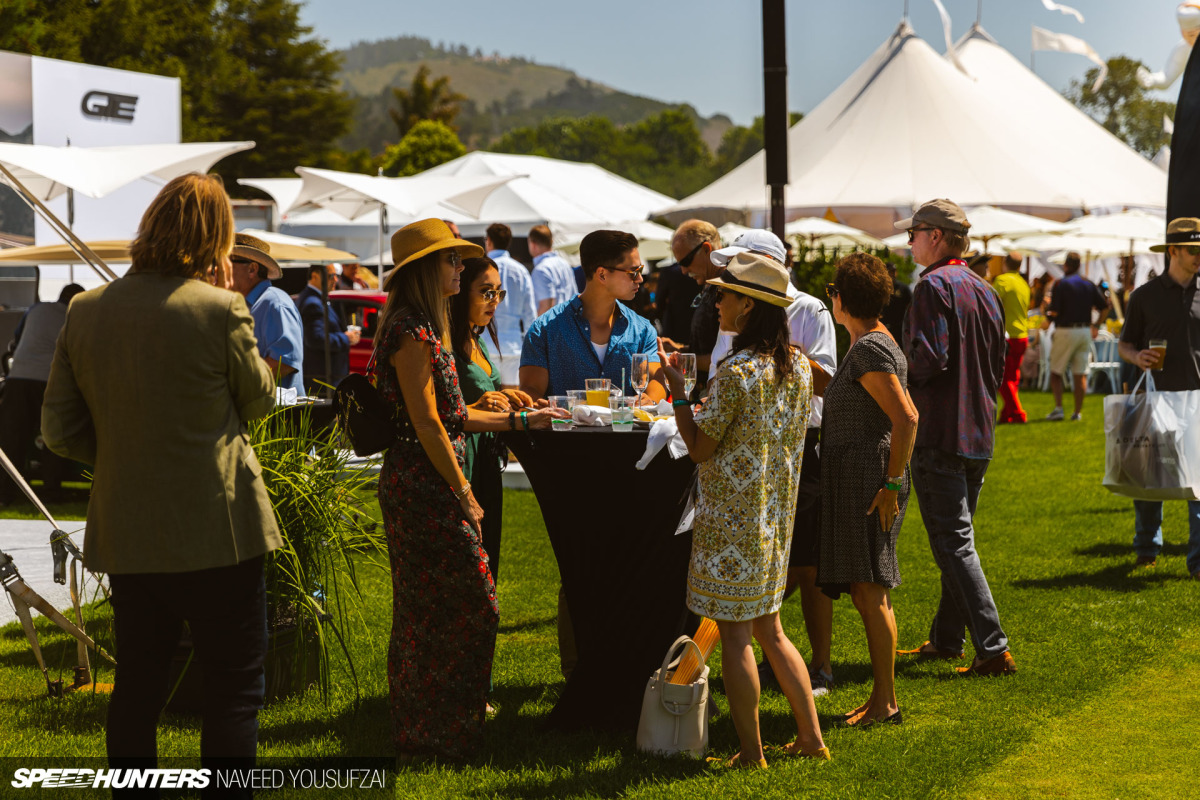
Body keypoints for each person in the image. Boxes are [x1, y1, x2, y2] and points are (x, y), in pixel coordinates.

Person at [41, 173, 279, 787]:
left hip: (130, 529)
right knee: (233, 687)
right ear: (217, 239)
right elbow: (259, 401)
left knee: (138, 687)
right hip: (219, 528)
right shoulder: (221, 307)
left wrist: (124, 453)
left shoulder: (86, 309)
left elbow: (59, 431)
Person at [375, 218, 563, 760]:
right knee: (467, 604)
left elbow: (454, 417)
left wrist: (521, 422)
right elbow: (429, 422)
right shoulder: (411, 330)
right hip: (423, 484)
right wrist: (462, 490)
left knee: (433, 608)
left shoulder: (426, 327)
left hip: (427, 479)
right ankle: (435, 727)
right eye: (452, 261)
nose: (461, 268)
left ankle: (438, 728)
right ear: (424, 270)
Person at [658, 251, 828, 768]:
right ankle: (811, 739)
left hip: (731, 524)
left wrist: (680, 397)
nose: (717, 302)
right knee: (771, 631)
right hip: (773, 518)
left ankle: (751, 754)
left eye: (725, 294)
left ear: (748, 306)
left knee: (737, 638)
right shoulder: (798, 365)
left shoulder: (737, 373)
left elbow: (700, 449)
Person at [707, 230, 839, 698]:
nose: (721, 284)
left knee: (804, 565)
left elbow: (827, 381)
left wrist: (776, 358)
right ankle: (772, 665)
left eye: (732, 273)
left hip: (793, 442)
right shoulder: (732, 325)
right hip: (743, 442)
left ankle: (819, 666)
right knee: (768, 569)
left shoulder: (807, 309)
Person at [896, 198, 1016, 677]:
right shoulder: (984, 289)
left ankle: (992, 646)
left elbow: (928, 358)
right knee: (957, 539)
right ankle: (948, 639)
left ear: (937, 237)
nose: (910, 242)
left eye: (915, 233)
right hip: (978, 430)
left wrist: (893, 372)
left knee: (952, 542)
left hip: (942, 430)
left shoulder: (933, 287)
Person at [819, 253, 918, 726]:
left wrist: (892, 485)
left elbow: (907, 417)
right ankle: (882, 697)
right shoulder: (867, 344)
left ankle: (886, 702)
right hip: (864, 474)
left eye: (831, 291)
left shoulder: (868, 349)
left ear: (841, 299)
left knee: (871, 589)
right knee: (867, 588)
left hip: (870, 478)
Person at [1118, 217, 1200, 578]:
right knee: (1149, 478)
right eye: (1193, 250)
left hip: (1197, 401)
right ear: (1173, 251)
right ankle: (1146, 547)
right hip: (1157, 399)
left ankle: (1197, 562)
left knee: (1199, 484)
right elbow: (1124, 343)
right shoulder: (1144, 296)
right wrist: (1137, 357)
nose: (1199, 257)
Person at [449, 256, 535, 585]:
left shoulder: (477, 338)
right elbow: (441, 410)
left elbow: (486, 392)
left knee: (488, 569)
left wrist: (511, 399)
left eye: (499, 293)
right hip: (461, 466)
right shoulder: (444, 344)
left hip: (486, 464)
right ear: (459, 291)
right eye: (486, 292)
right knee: (467, 573)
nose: (494, 302)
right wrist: (481, 403)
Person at [520, 229, 667, 402]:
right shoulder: (544, 330)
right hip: (568, 428)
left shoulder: (642, 330)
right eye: (634, 272)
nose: (640, 279)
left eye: (640, 270)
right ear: (602, 274)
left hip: (625, 428)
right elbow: (530, 391)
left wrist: (650, 399)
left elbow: (655, 384)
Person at [0, 283, 84, 505]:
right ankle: (51, 493)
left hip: (19, 377)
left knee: (12, 439)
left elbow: (16, 340)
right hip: (49, 380)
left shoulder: (36, 309)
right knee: (51, 437)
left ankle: (6, 493)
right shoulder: (74, 317)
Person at [229, 233, 305, 397]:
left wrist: (234, 382)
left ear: (252, 269)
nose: (221, 269)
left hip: (277, 417)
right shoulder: (253, 303)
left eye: (228, 262)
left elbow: (284, 363)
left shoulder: (274, 303)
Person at [1044, 252, 1108, 421]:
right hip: (1084, 331)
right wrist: (1096, 325)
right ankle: (1077, 412)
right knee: (1080, 373)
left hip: (1066, 330)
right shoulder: (1088, 283)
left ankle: (1059, 408)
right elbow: (1105, 306)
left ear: (1066, 265)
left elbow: (1054, 311)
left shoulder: (1061, 284)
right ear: (1079, 265)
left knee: (1056, 372)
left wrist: (1047, 310)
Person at [663, 219, 723, 396]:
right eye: (678, 264)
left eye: (686, 261)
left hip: (719, 395)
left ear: (706, 249)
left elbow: (729, 356)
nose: (683, 271)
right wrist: (681, 349)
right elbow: (712, 347)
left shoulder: (729, 290)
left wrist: (685, 360)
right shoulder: (711, 286)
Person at [297, 263, 361, 396]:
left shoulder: (313, 298)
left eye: (336, 276)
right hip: (322, 380)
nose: (336, 280)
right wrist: (346, 338)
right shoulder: (312, 302)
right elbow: (316, 339)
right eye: (331, 276)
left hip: (323, 378)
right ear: (315, 276)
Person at [486, 223, 536, 388]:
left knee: (489, 399)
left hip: (486, 341)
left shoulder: (483, 266)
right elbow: (530, 313)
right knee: (512, 400)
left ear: (489, 241)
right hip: (513, 344)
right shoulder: (520, 270)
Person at [993, 253, 1031, 423]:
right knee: (1012, 377)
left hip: (1008, 335)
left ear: (1004, 263)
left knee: (1002, 378)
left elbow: (992, 304)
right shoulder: (1024, 284)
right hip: (1022, 335)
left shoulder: (1002, 280)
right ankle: (1006, 413)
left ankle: (1017, 413)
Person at [527, 224, 578, 315]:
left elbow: (546, 306)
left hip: (552, 326)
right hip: (568, 321)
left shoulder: (541, 269)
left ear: (533, 245)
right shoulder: (565, 264)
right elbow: (574, 296)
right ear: (551, 241)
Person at [655, 260, 700, 345]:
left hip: (674, 326)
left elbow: (660, 302)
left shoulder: (668, 272)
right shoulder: (699, 270)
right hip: (696, 322)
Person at [880, 262, 912, 344]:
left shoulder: (903, 289)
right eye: (889, 272)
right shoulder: (879, 288)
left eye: (893, 271)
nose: (892, 274)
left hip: (900, 329)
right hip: (883, 328)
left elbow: (911, 308)